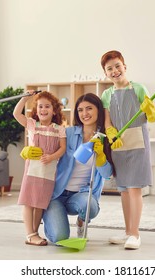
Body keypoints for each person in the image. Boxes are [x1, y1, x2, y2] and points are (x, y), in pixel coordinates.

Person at [100, 50, 155, 250]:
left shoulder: (140, 88)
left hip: (138, 144)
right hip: (119, 145)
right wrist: (110, 132)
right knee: (123, 190)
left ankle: (136, 234)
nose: (115, 71)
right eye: (109, 69)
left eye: (117, 66)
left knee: (134, 189)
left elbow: (150, 117)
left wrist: (150, 110)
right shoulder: (106, 94)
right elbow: (107, 121)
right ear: (105, 73)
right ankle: (127, 232)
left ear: (125, 66)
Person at [42, 93, 113, 243]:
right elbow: (46, 147)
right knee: (60, 239)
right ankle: (54, 220)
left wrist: (100, 157)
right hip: (57, 194)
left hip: (81, 195)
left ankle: (81, 221)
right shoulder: (68, 133)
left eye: (89, 109)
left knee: (90, 207)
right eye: (80, 110)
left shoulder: (105, 138)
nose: (84, 114)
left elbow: (107, 175)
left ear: (98, 110)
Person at [13, 91, 66, 246]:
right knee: (29, 202)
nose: (43, 109)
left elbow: (62, 148)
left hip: (48, 172)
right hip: (32, 171)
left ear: (54, 110)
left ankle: (34, 233)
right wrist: (24, 98)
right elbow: (16, 113)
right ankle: (30, 234)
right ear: (36, 110)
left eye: (47, 106)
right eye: (40, 106)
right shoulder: (31, 124)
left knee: (40, 204)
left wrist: (52, 156)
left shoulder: (59, 129)